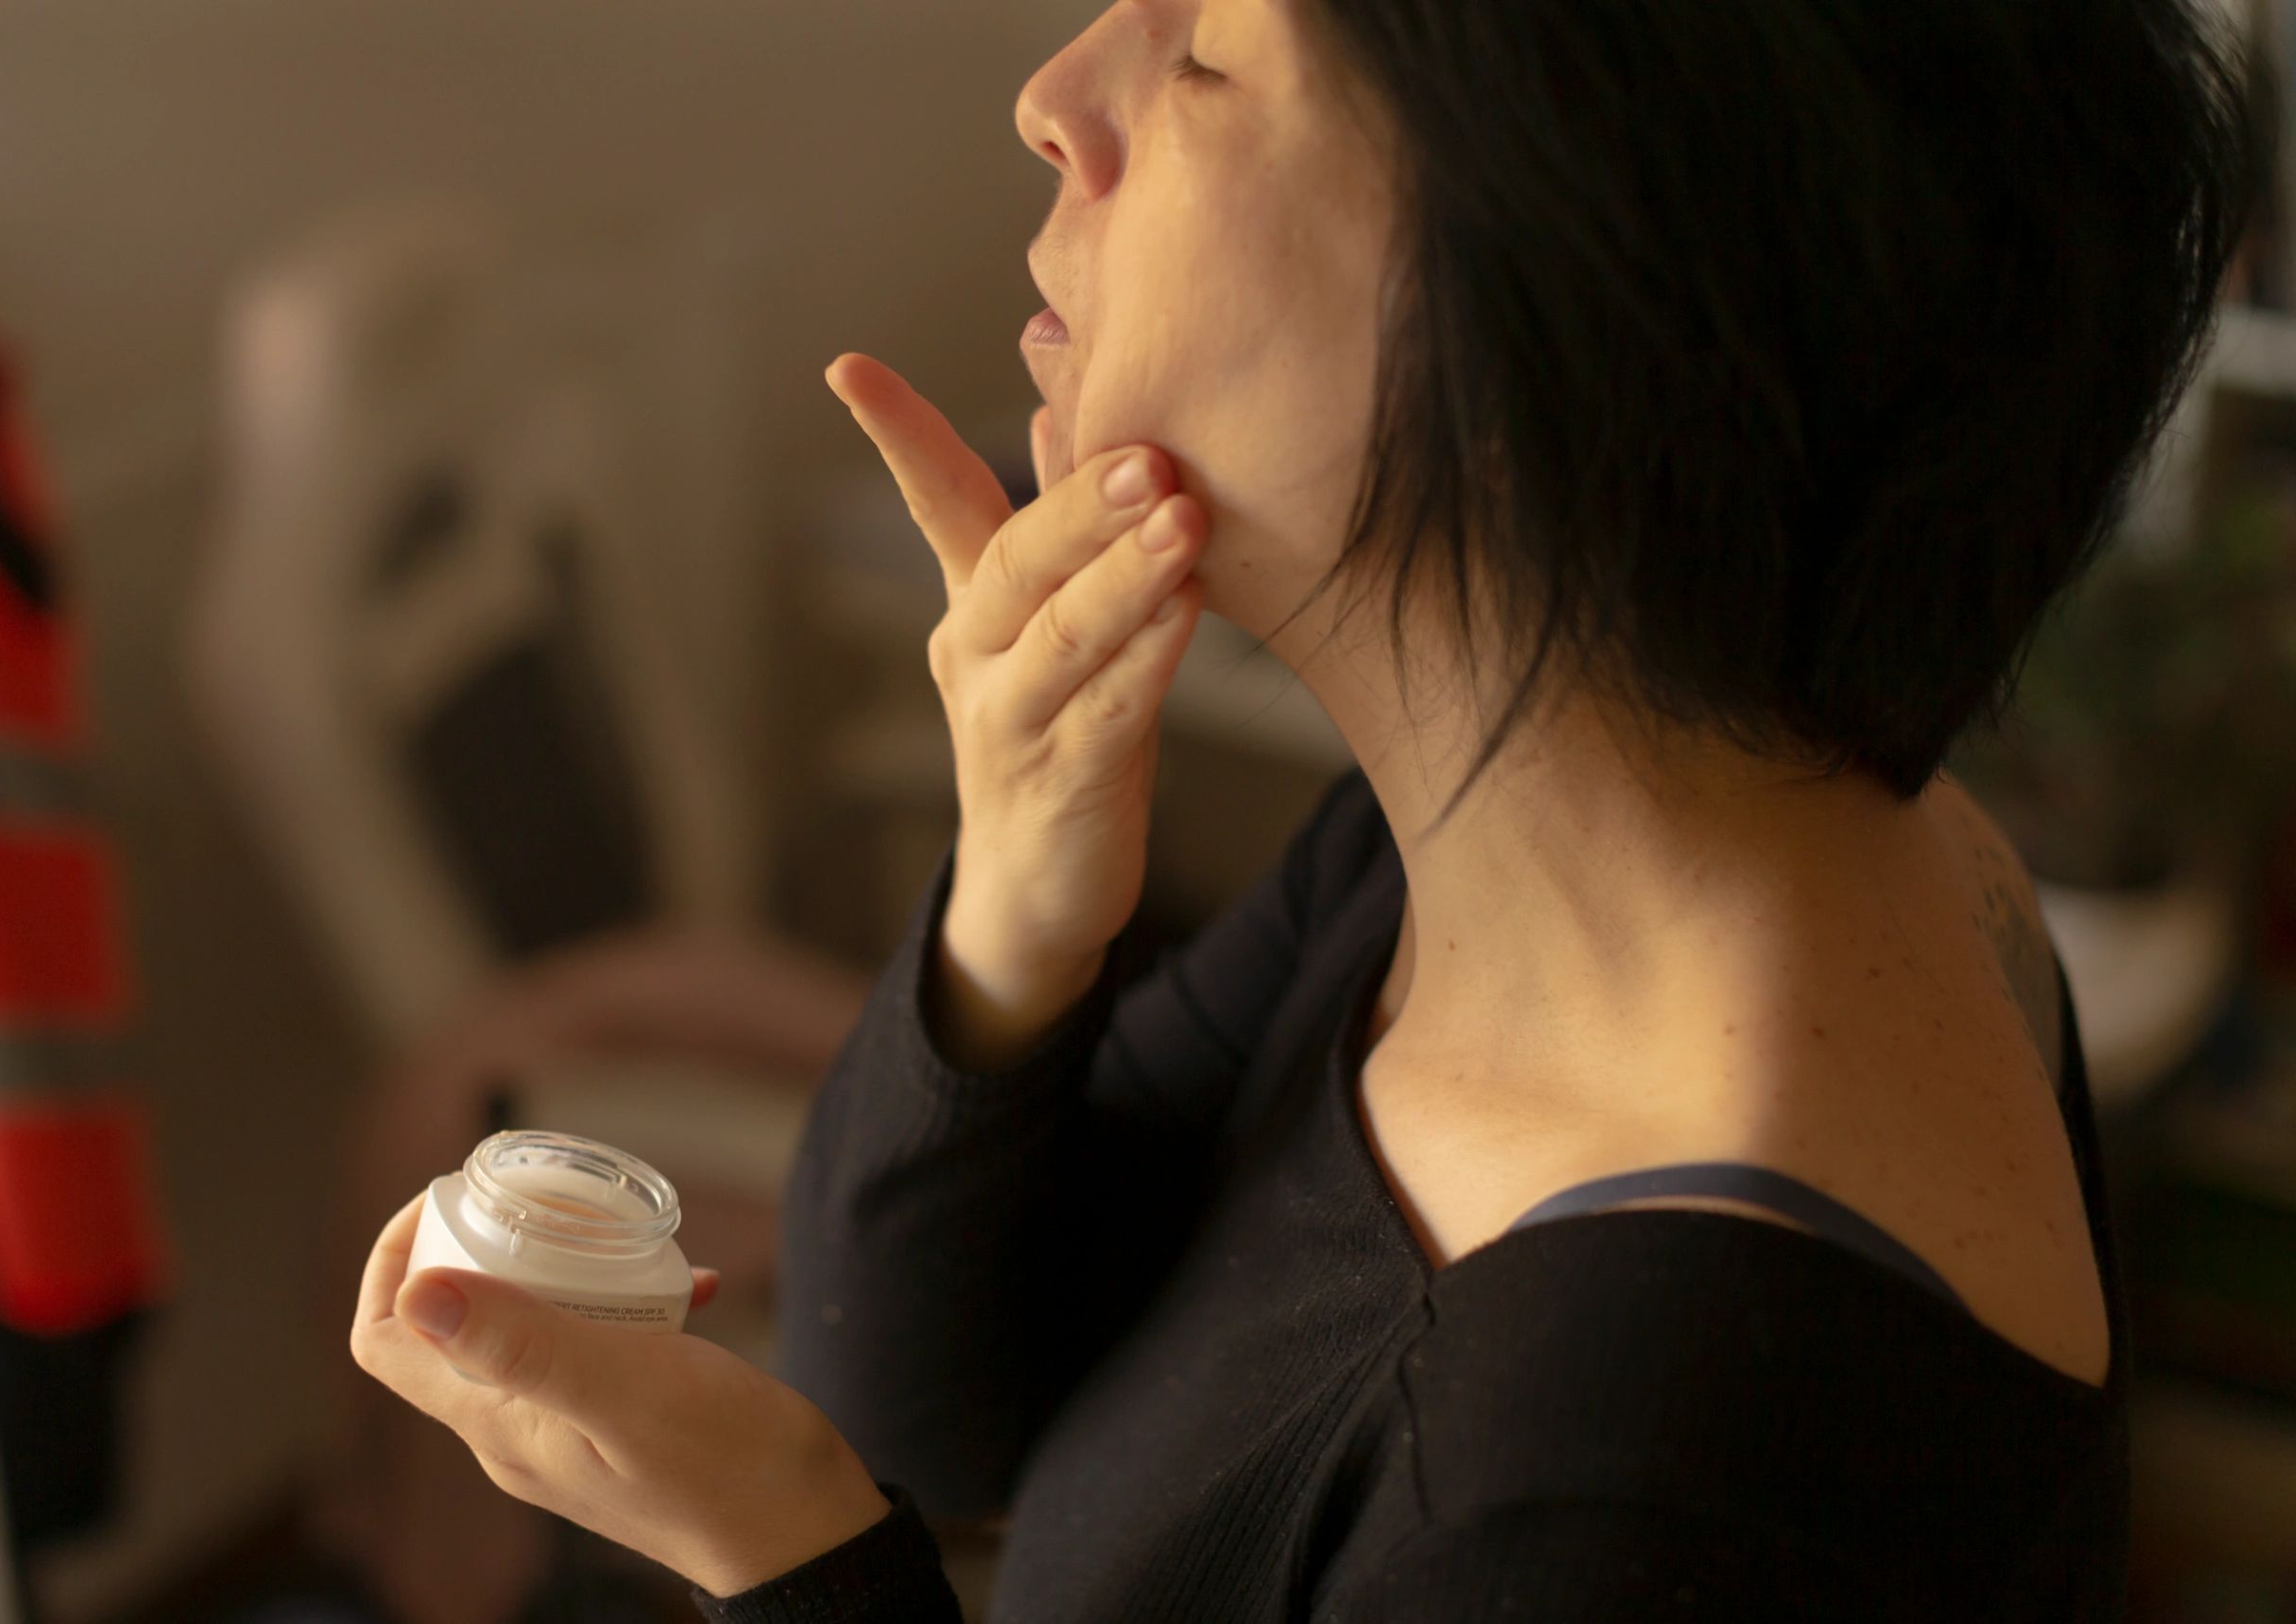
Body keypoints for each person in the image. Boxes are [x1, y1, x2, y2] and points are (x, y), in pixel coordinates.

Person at [351, 0, 2271, 1616]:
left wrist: (789, 1562)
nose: (1059, 92)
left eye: (1205, 56)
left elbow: (865, 1470)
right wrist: (1014, 909)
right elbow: (923, 1391)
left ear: (1569, 295)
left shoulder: (1635, 1484)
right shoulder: (1525, 864)